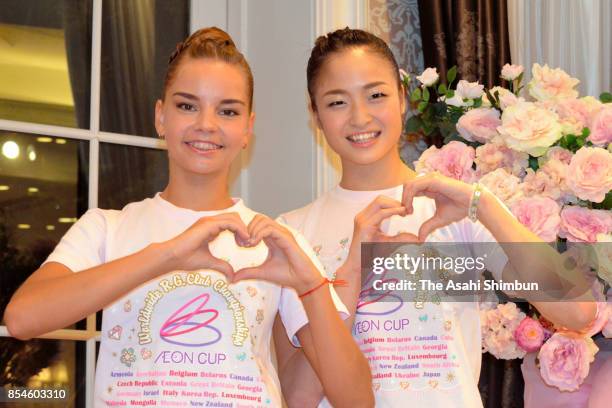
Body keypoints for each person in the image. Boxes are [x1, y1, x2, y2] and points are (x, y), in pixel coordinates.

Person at [4, 27, 374, 408]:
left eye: (227, 111)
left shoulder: (276, 242)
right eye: (187, 106)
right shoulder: (106, 228)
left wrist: (312, 285)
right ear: (160, 117)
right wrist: (168, 255)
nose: (206, 124)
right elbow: (23, 318)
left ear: (248, 128)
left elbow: (356, 399)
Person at [273, 27, 599, 407]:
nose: (360, 117)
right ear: (315, 114)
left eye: (376, 95)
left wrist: (485, 205)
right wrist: (354, 276)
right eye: (337, 102)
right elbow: (297, 397)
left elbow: (576, 311)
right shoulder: (293, 232)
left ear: (401, 98)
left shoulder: (454, 209)